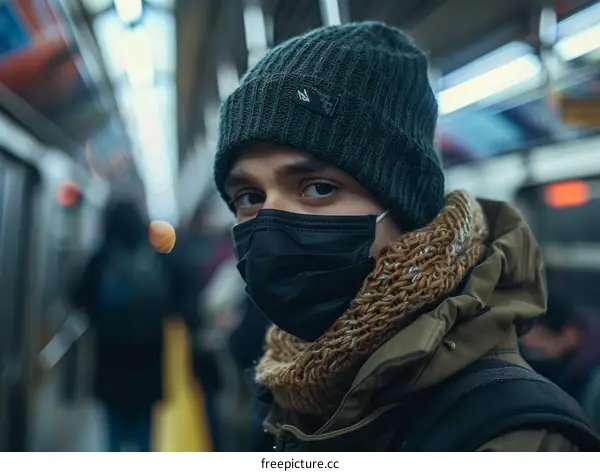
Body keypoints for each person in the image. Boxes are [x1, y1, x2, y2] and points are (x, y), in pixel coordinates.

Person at [211, 21, 600, 451]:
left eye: (318, 188)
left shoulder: (513, 437)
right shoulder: (286, 389)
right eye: (249, 196)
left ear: (407, 211)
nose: (271, 226)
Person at [69, 200, 177, 452]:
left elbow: (76, 298)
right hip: (148, 364)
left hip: (111, 362)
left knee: (113, 437)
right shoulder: (157, 259)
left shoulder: (101, 258)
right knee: (144, 435)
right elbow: (174, 302)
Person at [521, 295, 600, 430]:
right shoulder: (578, 371)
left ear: (570, 333)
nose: (537, 356)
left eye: (543, 342)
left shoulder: (593, 385)